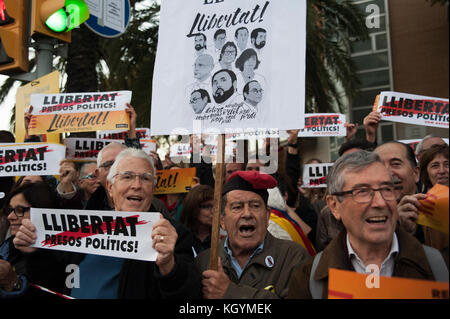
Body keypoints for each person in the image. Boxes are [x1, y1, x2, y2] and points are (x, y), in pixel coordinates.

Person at [13, 148, 202, 299]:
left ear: (153, 189)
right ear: (110, 188)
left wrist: (169, 265)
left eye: (145, 178)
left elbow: (189, 298)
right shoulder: (81, 227)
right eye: (127, 176)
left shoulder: (172, 236)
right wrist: (35, 253)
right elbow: (52, 281)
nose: (137, 185)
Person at [287, 150, 448, 299]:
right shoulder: (308, 278)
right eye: (362, 192)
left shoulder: (439, 266)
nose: (380, 202)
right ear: (334, 206)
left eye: (386, 189)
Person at [195, 170, 309, 299]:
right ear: (222, 220)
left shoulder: (292, 256)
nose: (247, 214)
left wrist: (230, 292)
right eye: (237, 207)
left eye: (255, 206)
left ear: (267, 217)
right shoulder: (204, 262)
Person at [1, 182, 61, 298]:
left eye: (20, 210)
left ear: (44, 211)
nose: (10, 217)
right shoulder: (7, 246)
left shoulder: (62, 255)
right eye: (10, 210)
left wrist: (13, 283)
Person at [179, 185, 215, 256]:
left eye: (216, 206)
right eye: (207, 206)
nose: (213, 211)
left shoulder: (223, 238)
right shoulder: (181, 238)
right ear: (193, 208)